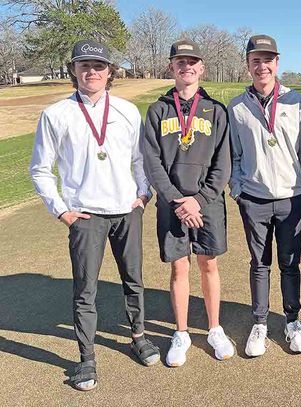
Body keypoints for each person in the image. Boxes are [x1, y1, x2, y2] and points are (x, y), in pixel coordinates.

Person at [29, 40, 159, 391]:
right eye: (83, 65)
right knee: (85, 290)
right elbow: (40, 169)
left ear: (110, 72)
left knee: (134, 280)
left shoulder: (128, 110)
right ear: (73, 69)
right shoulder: (56, 114)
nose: (91, 72)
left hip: (127, 212)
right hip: (86, 217)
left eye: (99, 66)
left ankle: (139, 337)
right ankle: (86, 359)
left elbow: (139, 159)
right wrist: (62, 211)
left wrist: (143, 193)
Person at [143, 39, 234, 367]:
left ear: (201, 67)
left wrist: (198, 199)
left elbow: (223, 164)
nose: (187, 67)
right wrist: (175, 199)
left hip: (206, 203)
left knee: (208, 263)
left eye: (193, 62)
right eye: (180, 62)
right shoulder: (157, 110)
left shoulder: (215, 110)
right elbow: (151, 161)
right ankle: (180, 332)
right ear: (172, 66)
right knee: (179, 266)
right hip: (172, 204)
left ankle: (214, 329)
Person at [228, 34, 301, 357]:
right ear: (248, 64)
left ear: (277, 63)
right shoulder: (236, 107)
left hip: (293, 199)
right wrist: (238, 190)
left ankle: (292, 321)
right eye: (256, 60)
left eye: (268, 60)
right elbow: (234, 156)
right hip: (254, 199)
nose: (262, 66)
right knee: (259, 263)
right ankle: (260, 323)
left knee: (290, 263)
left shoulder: (297, 102)